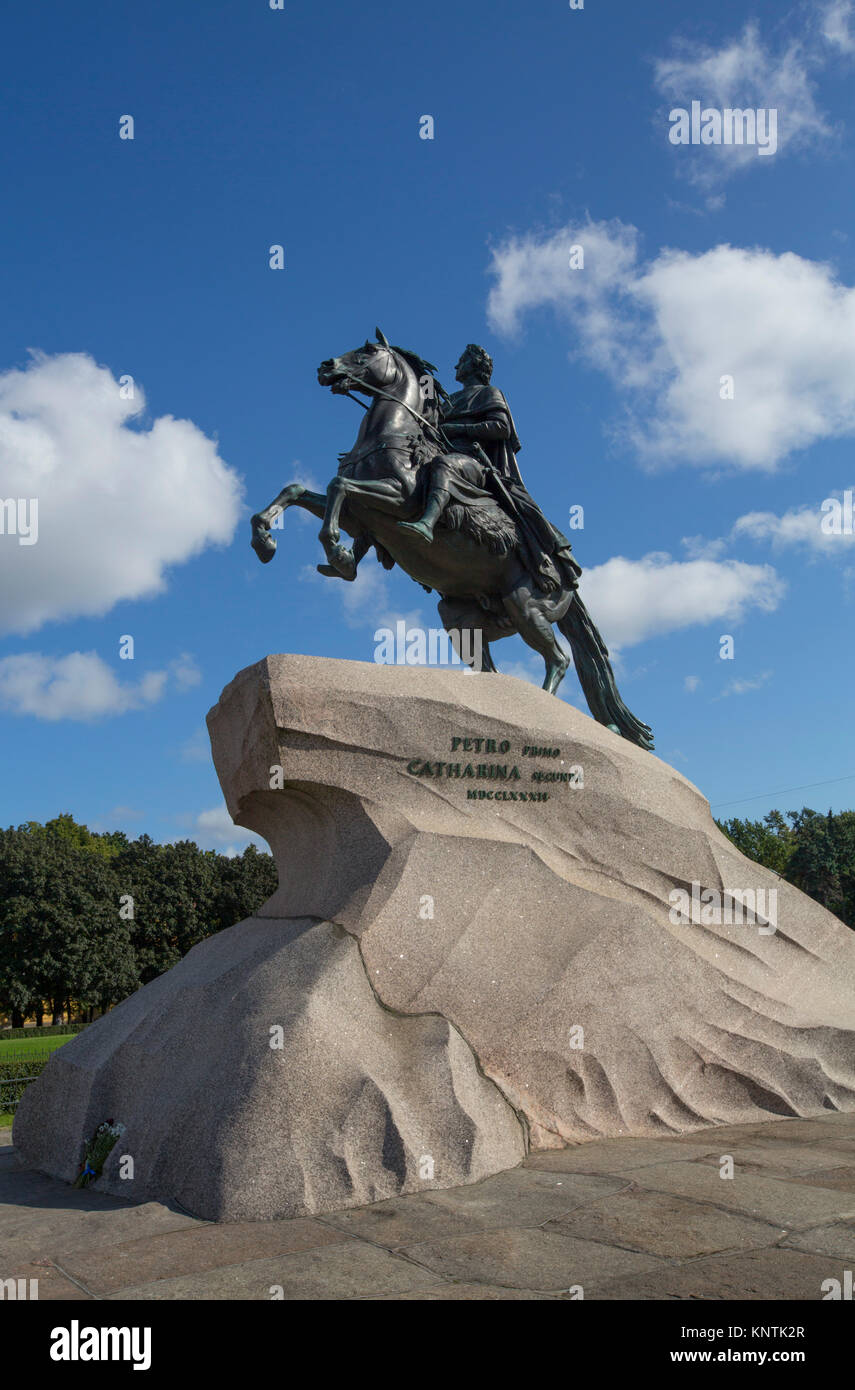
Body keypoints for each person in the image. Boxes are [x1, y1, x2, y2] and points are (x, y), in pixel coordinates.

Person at [399, 344, 580, 595]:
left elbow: (500, 427)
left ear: (474, 365)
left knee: (444, 465)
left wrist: (460, 429)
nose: (455, 366)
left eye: (461, 361)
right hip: (448, 454)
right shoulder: (449, 401)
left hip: (476, 463)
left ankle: (427, 523)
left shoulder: (488, 393)